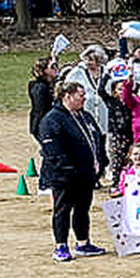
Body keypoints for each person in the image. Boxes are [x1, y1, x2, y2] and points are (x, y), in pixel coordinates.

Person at [40, 81, 107, 262]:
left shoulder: (85, 116)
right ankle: (60, 246)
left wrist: (101, 161)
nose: (84, 98)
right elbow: (53, 149)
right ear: (67, 96)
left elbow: (97, 139)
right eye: (80, 95)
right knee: (62, 210)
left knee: (82, 209)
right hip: (64, 176)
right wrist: (68, 169)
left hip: (86, 175)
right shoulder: (52, 119)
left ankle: (83, 242)